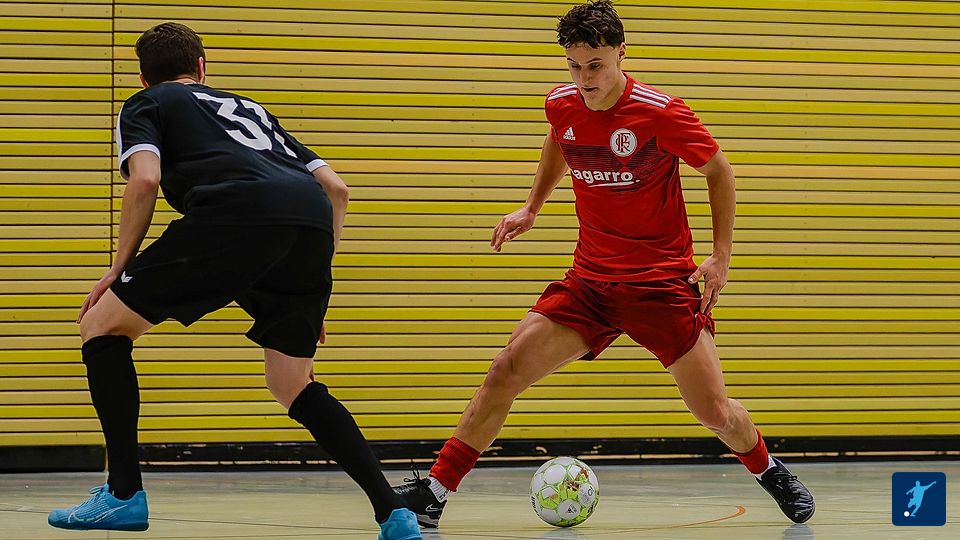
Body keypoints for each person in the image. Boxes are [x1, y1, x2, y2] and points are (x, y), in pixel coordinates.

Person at [394, 0, 813, 527]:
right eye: (574, 66)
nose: (585, 78)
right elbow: (559, 141)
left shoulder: (660, 112)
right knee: (504, 372)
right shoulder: (562, 105)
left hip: (660, 285)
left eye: (595, 65)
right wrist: (532, 207)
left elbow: (719, 172)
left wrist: (720, 256)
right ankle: (434, 491)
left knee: (714, 411)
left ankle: (769, 469)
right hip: (590, 284)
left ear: (620, 53)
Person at [46, 22, 421, 540]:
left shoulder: (146, 103)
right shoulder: (249, 107)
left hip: (235, 211)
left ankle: (124, 495)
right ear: (201, 68)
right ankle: (393, 512)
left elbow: (146, 179)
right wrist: (313, 286)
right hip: (309, 221)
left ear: (143, 77)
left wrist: (117, 267)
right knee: (292, 382)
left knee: (101, 327)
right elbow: (337, 189)